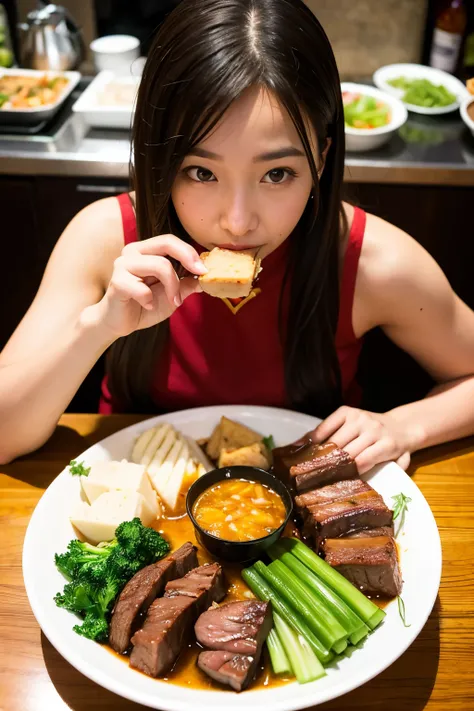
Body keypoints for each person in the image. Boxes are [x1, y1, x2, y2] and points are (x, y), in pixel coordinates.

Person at [1, 0, 473, 471]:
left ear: (322, 160)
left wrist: (405, 426)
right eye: (202, 172)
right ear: (159, 159)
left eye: (278, 174)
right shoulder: (103, 238)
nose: (238, 222)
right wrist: (99, 326)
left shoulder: (370, 260)